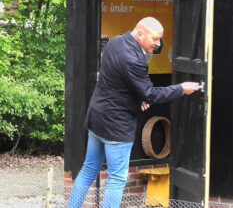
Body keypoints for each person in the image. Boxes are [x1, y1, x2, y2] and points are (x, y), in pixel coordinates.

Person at [67, 17, 199, 208]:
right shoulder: (134, 59)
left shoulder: (115, 42)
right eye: (155, 39)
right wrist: (180, 88)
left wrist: (139, 98)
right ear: (140, 33)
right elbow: (151, 94)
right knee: (116, 179)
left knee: (88, 170)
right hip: (116, 126)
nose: (158, 44)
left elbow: (118, 83)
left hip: (97, 118)